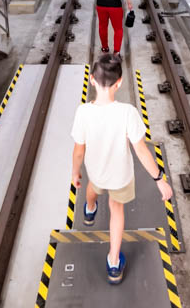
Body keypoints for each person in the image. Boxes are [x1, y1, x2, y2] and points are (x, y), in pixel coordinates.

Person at [70, 54, 173, 285]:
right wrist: (159, 179)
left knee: (91, 189)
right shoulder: (128, 113)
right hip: (121, 177)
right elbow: (142, 151)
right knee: (117, 211)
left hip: (96, 172)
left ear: (93, 81)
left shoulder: (83, 112)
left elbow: (78, 150)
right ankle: (114, 263)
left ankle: (89, 208)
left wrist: (75, 171)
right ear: (119, 83)